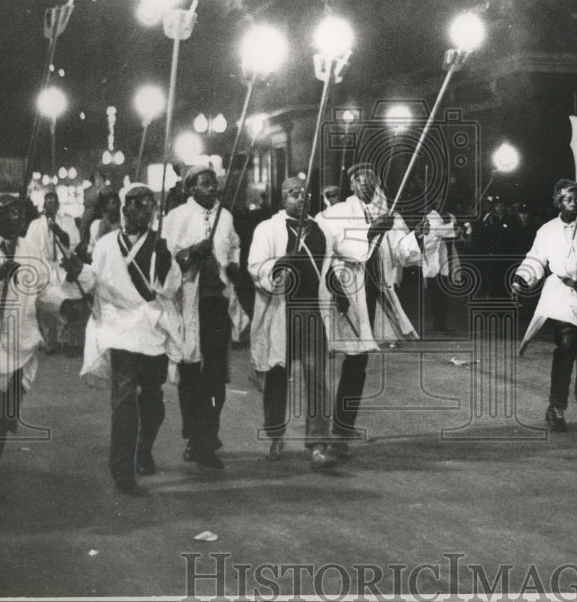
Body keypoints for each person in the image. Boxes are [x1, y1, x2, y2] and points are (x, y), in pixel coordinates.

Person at [0, 194, 80, 527]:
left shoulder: (29, 251)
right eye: (10, 210)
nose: (18, 215)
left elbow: (43, 289)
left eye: (21, 211)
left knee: (1, 422)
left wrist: (62, 305)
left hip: (19, 346)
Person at [74, 183, 184, 493]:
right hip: (120, 328)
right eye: (139, 203)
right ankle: (122, 470)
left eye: (151, 204)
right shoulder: (107, 244)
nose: (147, 209)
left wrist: (165, 262)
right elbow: (93, 279)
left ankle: (144, 448)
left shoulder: (161, 243)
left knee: (152, 399)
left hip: (151, 328)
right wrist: (76, 270)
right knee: (123, 399)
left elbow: (169, 287)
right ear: (126, 209)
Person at [317, 163, 427, 456]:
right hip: (346, 291)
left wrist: (417, 236)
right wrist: (370, 231)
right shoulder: (337, 212)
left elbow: (404, 254)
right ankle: (328, 431)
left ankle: (342, 426)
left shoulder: (388, 214)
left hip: (373, 294)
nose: (365, 184)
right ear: (352, 185)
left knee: (358, 362)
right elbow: (337, 244)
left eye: (371, 180)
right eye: (359, 180)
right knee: (340, 360)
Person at [161, 166, 249, 469]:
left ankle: (208, 435)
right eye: (205, 184)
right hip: (188, 303)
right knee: (191, 375)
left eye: (214, 184)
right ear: (190, 188)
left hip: (217, 305)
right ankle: (194, 436)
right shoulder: (175, 218)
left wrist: (234, 266)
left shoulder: (226, 217)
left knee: (215, 376)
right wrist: (190, 253)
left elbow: (234, 245)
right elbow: (166, 258)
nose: (213, 189)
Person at [249, 177, 338, 469]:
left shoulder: (321, 229)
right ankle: (276, 435)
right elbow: (255, 266)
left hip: (311, 309)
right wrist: (278, 266)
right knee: (276, 374)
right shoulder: (267, 229)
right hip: (281, 311)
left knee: (316, 377)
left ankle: (318, 444)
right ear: (281, 200)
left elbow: (329, 267)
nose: (300, 198)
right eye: (293, 193)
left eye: (304, 193)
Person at [514, 179, 577, 430]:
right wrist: (523, 277)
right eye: (568, 199)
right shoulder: (547, 230)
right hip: (562, 292)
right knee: (567, 346)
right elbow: (536, 258)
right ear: (559, 201)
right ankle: (556, 408)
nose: (574, 203)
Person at [26, 190, 82, 354]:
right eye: (48, 201)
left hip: (62, 267)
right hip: (44, 268)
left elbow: (72, 242)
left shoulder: (67, 221)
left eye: (53, 200)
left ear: (58, 204)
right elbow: (30, 247)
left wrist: (56, 229)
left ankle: (63, 339)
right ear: (44, 205)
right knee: (47, 305)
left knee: (64, 301)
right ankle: (50, 341)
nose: (51, 203)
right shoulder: (35, 225)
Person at [421, 208, 459, 334]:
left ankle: (440, 322)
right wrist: (456, 225)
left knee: (440, 294)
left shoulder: (446, 216)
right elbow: (441, 230)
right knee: (436, 294)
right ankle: (438, 323)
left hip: (442, 260)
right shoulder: (432, 216)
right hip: (432, 262)